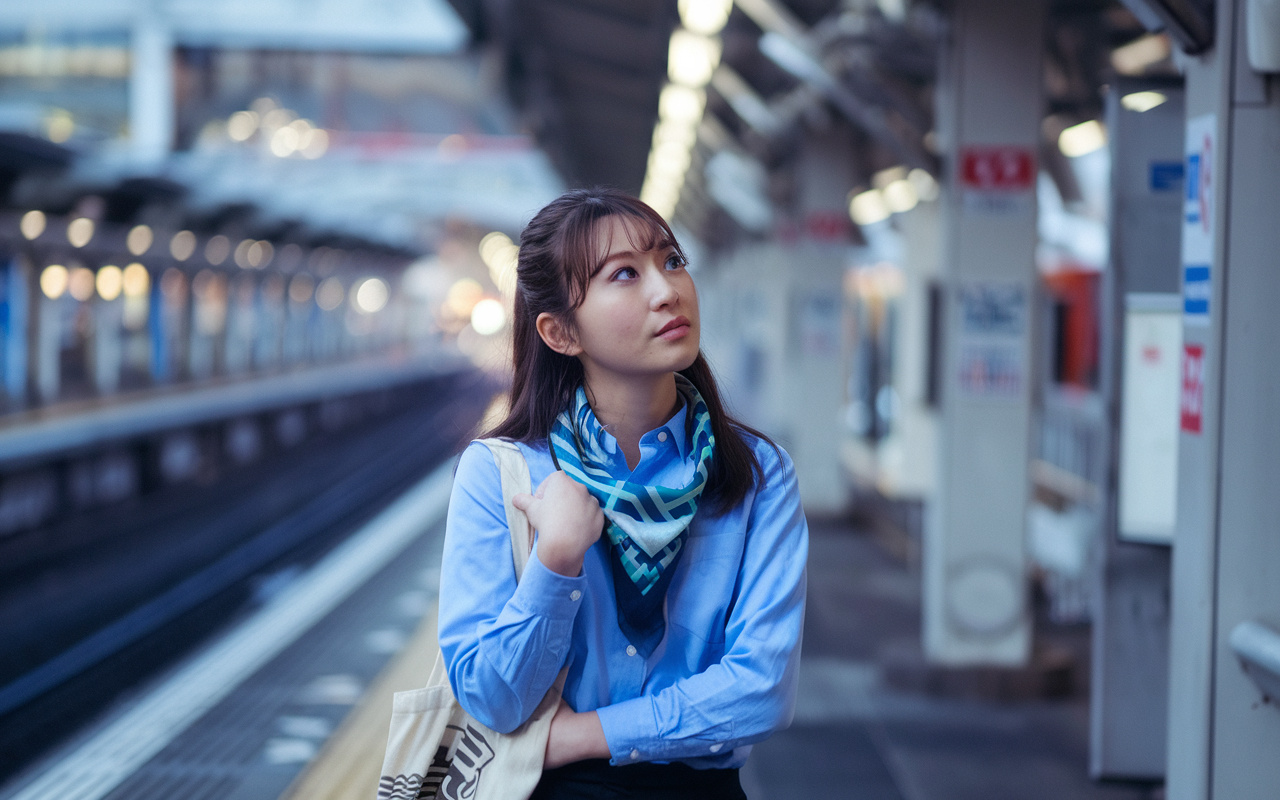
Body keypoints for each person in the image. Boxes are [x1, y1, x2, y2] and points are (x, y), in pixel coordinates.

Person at [437, 187, 808, 799]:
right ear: (561, 332)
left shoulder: (757, 473)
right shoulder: (500, 474)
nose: (667, 290)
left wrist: (584, 735)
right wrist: (556, 560)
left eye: (672, 261)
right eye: (625, 274)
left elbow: (762, 690)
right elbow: (491, 697)